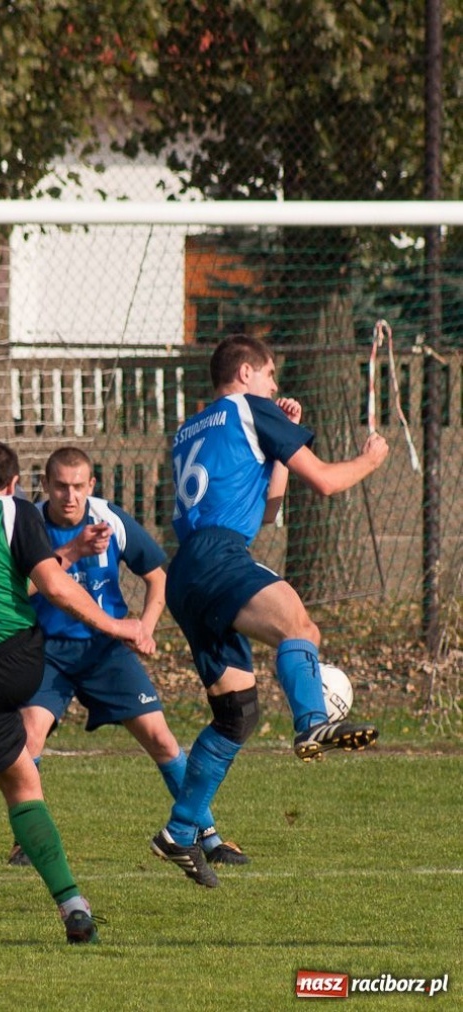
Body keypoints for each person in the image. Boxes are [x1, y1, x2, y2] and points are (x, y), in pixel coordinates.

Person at [151, 334, 389, 888]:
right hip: (218, 557)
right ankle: (313, 721)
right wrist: (371, 458)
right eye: (270, 374)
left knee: (236, 715)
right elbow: (328, 482)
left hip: (187, 570)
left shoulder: (194, 426)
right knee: (301, 627)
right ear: (245, 372)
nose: (276, 386)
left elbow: (262, 514)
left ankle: (179, 832)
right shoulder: (251, 409)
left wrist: (277, 449)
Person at [0, 439, 150, 944]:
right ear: (15, 483)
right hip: (16, 662)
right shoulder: (13, 510)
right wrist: (119, 626)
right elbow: (56, 587)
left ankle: (73, 905)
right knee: (26, 775)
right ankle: (73, 910)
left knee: (21, 789)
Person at [0, 446, 247, 869]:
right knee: (30, 734)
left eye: (78, 486)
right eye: (60, 486)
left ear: (92, 485)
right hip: (47, 652)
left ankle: (208, 836)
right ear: (45, 485)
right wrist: (73, 551)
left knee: (161, 738)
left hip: (105, 652)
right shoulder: (28, 524)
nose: (69, 496)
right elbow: (15, 591)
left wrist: (146, 626)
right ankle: (27, 840)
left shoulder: (110, 518)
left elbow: (158, 577)